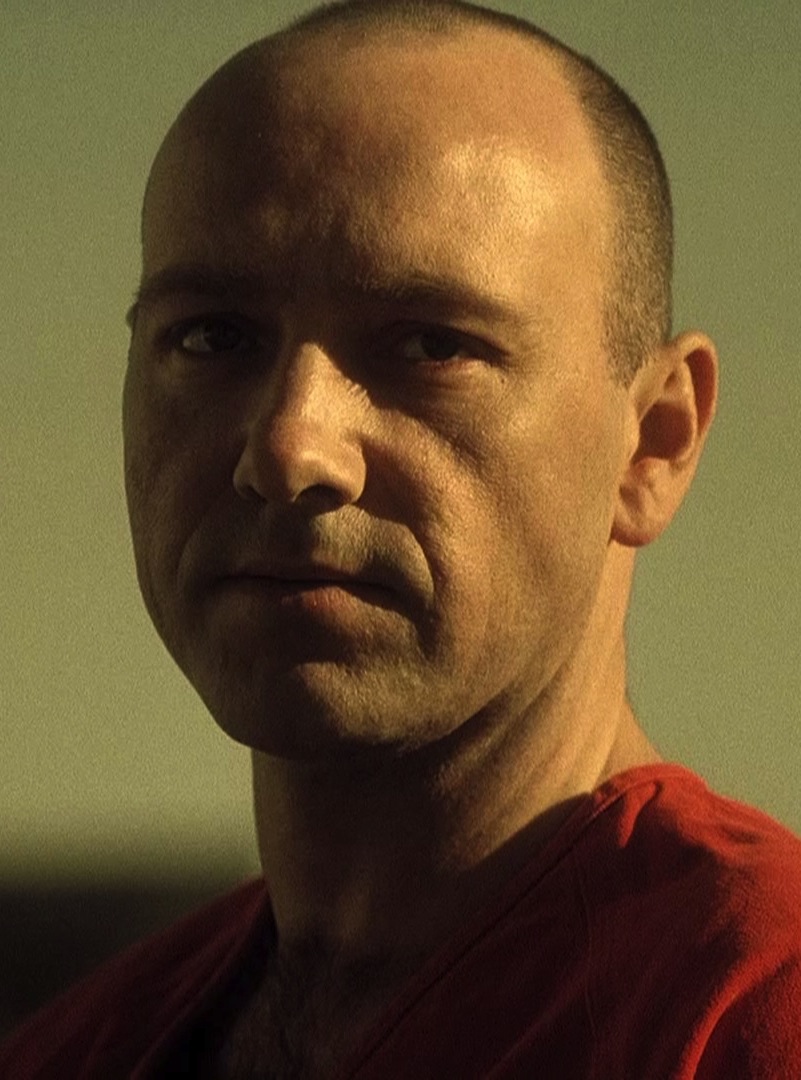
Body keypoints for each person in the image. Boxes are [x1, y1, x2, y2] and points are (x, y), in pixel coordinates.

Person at [3, 0, 800, 1076]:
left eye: (429, 346)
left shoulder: (748, 1011)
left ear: (653, 441)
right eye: (212, 337)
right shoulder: (74, 1050)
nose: (289, 448)